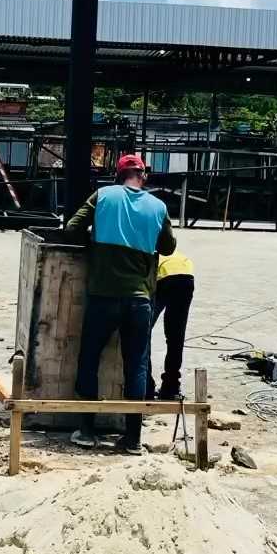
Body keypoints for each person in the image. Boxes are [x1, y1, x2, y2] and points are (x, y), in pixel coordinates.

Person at [66, 154, 176, 452]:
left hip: (103, 296)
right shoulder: (158, 207)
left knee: (90, 359)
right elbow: (168, 247)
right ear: (144, 176)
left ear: (119, 174)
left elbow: (72, 228)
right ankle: (133, 439)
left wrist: (96, 243)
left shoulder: (102, 196)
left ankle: (87, 430)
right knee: (136, 366)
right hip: (139, 300)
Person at [147, 249, 195, 401]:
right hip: (187, 277)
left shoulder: (147, 250)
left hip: (163, 279)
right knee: (176, 337)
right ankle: (171, 387)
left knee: (143, 333)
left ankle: (146, 386)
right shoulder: (173, 251)